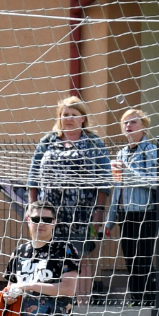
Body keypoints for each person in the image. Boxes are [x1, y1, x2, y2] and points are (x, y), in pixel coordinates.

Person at [27, 96, 112, 258]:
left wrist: (99, 210)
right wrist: (31, 206)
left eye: (73, 114)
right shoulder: (47, 141)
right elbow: (33, 176)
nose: (69, 118)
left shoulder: (94, 143)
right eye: (65, 114)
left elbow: (104, 179)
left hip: (81, 214)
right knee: (48, 257)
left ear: (83, 118)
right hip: (49, 214)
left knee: (79, 259)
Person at [107, 109, 159, 305]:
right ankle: (136, 299)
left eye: (134, 122)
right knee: (130, 258)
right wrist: (110, 221)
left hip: (145, 213)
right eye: (125, 123)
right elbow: (117, 188)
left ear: (144, 127)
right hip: (125, 215)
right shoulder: (121, 153)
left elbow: (155, 182)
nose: (128, 126)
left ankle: (150, 299)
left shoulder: (151, 150)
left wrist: (127, 171)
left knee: (143, 258)